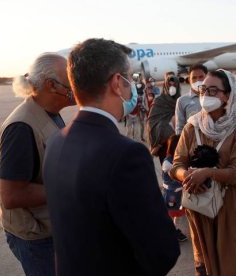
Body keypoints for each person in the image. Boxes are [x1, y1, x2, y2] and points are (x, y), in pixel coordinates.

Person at [42, 38, 180, 276]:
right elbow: (162, 251)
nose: (131, 86)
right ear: (118, 82)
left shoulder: (56, 141)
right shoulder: (126, 154)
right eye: (129, 78)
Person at [170, 69, 236, 275]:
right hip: (199, 209)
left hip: (228, 211)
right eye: (203, 90)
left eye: (213, 90)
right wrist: (188, 176)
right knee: (203, 266)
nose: (206, 95)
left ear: (227, 96)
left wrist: (209, 174)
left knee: (228, 266)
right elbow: (176, 165)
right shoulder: (191, 126)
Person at [0, 53, 74, 276]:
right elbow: (12, 196)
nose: (76, 85)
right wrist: (72, 188)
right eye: (70, 80)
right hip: (37, 239)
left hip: (53, 228)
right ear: (52, 85)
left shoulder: (50, 114)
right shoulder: (21, 127)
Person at [147, 75, 181, 165]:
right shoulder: (159, 101)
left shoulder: (181, 101)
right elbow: (151, 121)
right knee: (166, 169)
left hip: (178, 143)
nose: (172, 87)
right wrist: (166, 128)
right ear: (166, 86)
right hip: (163, 144)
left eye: (174, 85)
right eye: (169, 85)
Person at [162, 134, 188, 242]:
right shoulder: (167, 163)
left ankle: (174, 230)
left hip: (178, 192)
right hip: (171, 194)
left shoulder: (176, 159)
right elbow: (178, 174)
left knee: (176, 213)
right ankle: (171, 232)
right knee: (171, 213)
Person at [175, 64, 207, 135]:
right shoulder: (182, 101)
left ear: (206, 77)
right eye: (194, 78)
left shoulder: (215, 97)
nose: (198, 80)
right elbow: (179, 127)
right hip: (193, 142)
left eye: (201, 77)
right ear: (189, 80)